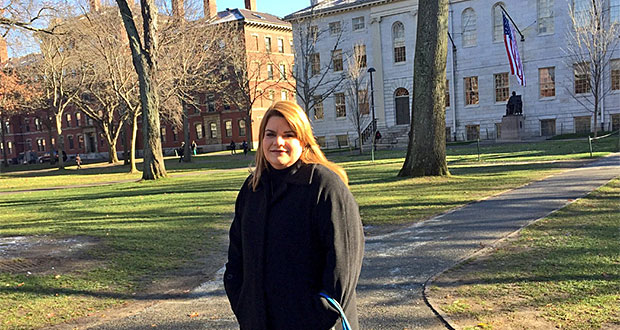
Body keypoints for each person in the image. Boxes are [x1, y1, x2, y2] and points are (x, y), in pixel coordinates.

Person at [224, 101, 365, 330]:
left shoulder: (324, 186)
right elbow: (237, 258)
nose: (278, 142)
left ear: (303, 139)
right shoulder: (252, 189)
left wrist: (318, 315)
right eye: (270, 134)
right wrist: (244, 305)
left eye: (288, 135)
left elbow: (343, 265)